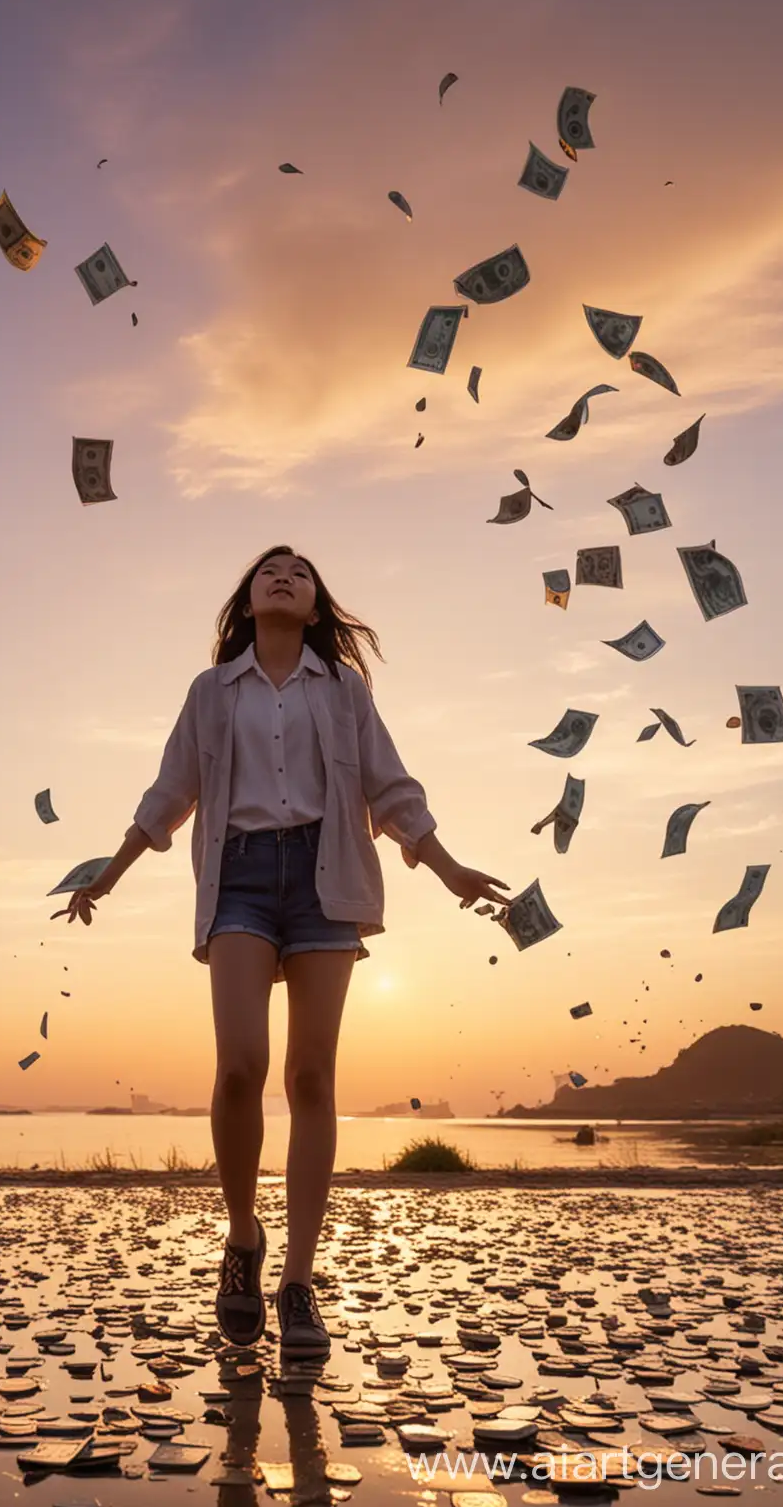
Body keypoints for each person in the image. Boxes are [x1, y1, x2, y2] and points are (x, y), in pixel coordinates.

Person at [56, 545, 511, 1355]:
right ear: (248, 596)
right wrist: (107, 875)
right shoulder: (211, 692)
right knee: (239, 1065)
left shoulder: (343, 691)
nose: (284, 575)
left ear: (313, 606)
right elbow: (172, 791)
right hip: (236, 877)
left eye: (300, 573)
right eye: (270, 568)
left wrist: (448, 871)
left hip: (324, 874)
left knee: (310, 1076)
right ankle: (242, 1240)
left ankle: (298, 1281)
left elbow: (390, 789)